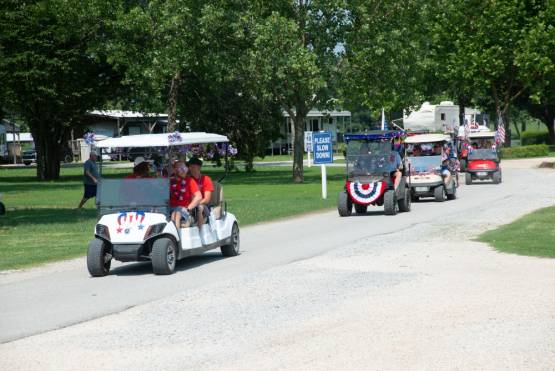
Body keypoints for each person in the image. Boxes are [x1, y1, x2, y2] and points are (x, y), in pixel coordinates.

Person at [170, 160, 202, 229]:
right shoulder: (169, 181)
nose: (184, 170)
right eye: (181, 168)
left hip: (183, 209)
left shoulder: (189, 180)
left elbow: (199, 197)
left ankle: (176, 238)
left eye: (185, 168)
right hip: (167, 207)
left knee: (176, 213)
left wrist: (188, 208)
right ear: (175, 170)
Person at [186, 157, 214, 230]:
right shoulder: (188, 179)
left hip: (203, 205)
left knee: (199, 208)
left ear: (199, 167)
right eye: (190, 166)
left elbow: (206, 199)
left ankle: (200, 231)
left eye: (193, 166)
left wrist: (194, 204)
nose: (191, 168)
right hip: (190, 205)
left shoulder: (206, 179)